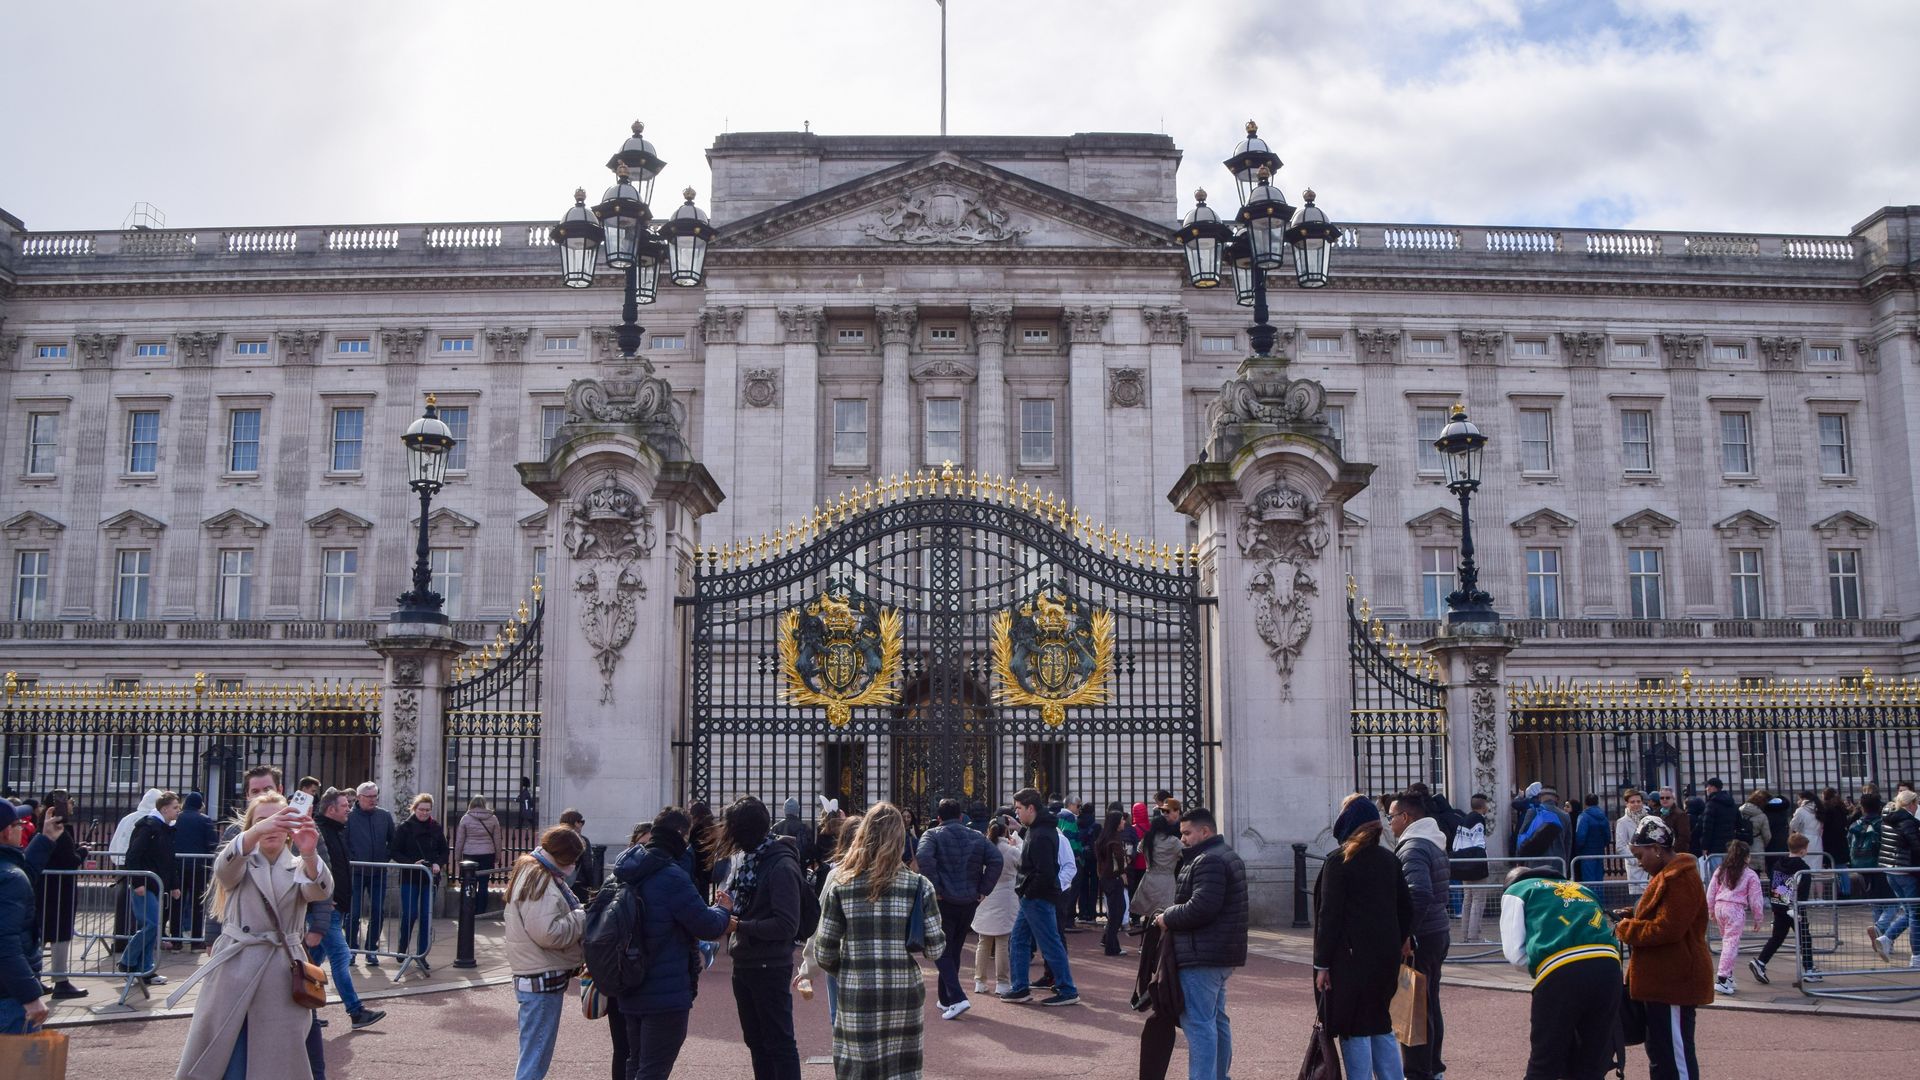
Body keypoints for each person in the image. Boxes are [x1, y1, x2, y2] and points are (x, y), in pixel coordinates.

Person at [170, 792, 331, 1079]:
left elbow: (320, 890)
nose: (271, 827)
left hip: (281, 977)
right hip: (234, 972)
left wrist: (309, 852)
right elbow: (224, 869)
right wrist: (257, 831)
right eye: (263, 820)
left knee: (277, 1062)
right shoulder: (240, 860)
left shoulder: (298, 867)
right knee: (228, 1059)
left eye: (280, 821)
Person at [813, 802, 944, 1080]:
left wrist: (850, 969)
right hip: (903, 990)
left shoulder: (841, 884)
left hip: (858, 988)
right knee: (902, 1068)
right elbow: (935, 949)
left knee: (858, 1068)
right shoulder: (919, 886)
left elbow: (824, 951)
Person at [609, 807, 731, 1080]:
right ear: (678, 834)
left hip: (628, 981)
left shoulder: (624, 871)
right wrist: (723, 909)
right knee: (653, 1068)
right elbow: (707, 925)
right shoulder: (672, 876)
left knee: (636, 1062)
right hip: (664, 989)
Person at [1312, 795, 1412, 1080]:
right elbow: (1406, 907)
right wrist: (1402, 939)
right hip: (1385, 958)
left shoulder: (1339, 862)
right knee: (1380, 1022)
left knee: (1353, 1027)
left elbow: (1329, 918)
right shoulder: (1389, 860)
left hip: (1349, 959)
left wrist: (1322, 964)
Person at [1498, 864, 1622, 1080]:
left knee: (1545, 1059)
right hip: (1608, 965)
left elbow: (1514, 953)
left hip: (1561, 969)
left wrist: (1544, 960)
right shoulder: (1581, 888)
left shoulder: (1517, 891)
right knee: (1592, 1059)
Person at [712, 795, 803, 1080]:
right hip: (746, 961)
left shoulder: (781, 866)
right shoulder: (747, 860)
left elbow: (786, 925)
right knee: (756, 1042)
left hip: (770, 964)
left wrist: (740, 926)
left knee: (779, 1044)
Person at [1153, 806, 1247, 1080]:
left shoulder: (1209, 860)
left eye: (1187, 833)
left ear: (1205, 831)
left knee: (1199, 1024)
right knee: (1216, 1021)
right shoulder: (1224, 855)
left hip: (1202, 952)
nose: (1182, 839)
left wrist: (1166, 917)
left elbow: (1202, 907)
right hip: (1217, 951)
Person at [1614, 815, 1711, 1080]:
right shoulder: (1666, 874)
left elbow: (1667, 928)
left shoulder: (1680, 878)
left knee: (1673, 1056)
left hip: (1674, 980)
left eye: (1640, 854)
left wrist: (1625, 930)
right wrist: (1631, 914)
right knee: (1660, 1052)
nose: (1639, 862)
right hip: (1661, 980)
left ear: (1656, 849)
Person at [505, 825, 588, 1080]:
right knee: (535, 1056)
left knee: (533, 1052)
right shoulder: (539, 878)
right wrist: (581, 917)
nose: (573, 866)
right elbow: (548, 933)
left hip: (537, 975)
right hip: (540, 978)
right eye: (572, 859)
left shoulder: (533, 870)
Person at [914, 796, 1004, 1019]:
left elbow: (923, 855)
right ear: (961, 816)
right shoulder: (976, 836)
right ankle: (945, 999)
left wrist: (935, 887)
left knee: (940, 949)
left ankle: (956, 997)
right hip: (969, 900)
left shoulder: (932, 834)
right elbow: (996, 860)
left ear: (938, 817)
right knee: (953, 948)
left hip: (944, 900)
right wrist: (983, 889)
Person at [997, 788, 1080, 1006]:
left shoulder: (1042, 834)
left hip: (1036, 897)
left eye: (1019, 809)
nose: (1016, 813)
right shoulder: (1041, 828)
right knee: (1020, 940)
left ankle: (1067, 988)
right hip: (1033, 896)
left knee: (1048, 943)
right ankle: (1021, 987)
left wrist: (1028, 891)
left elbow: (1045, 872)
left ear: (1030, 808)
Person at [311, 788, 385, 1029]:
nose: (349, 810)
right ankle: (355, 1011)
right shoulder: (319, 832)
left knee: (311, 963)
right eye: (345, 806)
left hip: (335, 906)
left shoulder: (335, 830)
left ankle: (304, 1012)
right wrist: (324, 898)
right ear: (331, 809)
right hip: (325, 909)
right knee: (341, 956)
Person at [1390, 789, 1450, 1080]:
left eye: (1392, 816)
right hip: (1436, 931)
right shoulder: (1431, 842)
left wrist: (1406, 934)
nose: (1389, 823)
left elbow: (1420, 893)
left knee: (1412, 1008)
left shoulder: (1413, 847)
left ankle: (1417, 1073)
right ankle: (1432, 1067)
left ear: (1405, 816)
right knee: (1430, 1004)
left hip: (1421, 936)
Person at [0, 799, 55, 1034]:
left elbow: (23, 874)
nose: (22, 827)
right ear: (6, 832)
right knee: (19, 1070)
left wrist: (45, 839)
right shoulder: (10, 878)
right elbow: (5, 941)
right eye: (19, 823)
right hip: (8, 994)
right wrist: (31, 996)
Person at [122, 790, 182, 984]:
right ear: (164, 809)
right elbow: (133, 855)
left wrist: (174, 885)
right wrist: (138, 881)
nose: (177, 811)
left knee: (151, 927)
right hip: (145, 883)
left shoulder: (165, 828)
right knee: (152, 925)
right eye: (175, 807)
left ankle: (145, 969)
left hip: (155, 883)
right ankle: (128, 960)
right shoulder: (148, 827)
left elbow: (168, 860)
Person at [34, 792, 89, 998]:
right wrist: (82, 852)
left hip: (45, 889)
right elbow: (69, 861)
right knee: (60, 935)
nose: (72, 806)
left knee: (41, 934)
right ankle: (60, 980)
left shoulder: (44, 828)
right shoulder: (60, 831)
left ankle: (35, 977)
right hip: (59, 890)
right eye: (69, 803)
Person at [390, 793, 448, 972]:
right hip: (410, 877)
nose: (424, 813)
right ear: (414, 809)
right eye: (421, 809)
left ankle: (422, 955)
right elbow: (394, 851)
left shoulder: (436, 828)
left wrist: (438, 863)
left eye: (427, 810)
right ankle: (402, 946)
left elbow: (444, 851)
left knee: (425, 917)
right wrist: (410, 864)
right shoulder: (404, 828)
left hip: (429, 879)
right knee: (410, 914)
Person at [1750, 832, 1817, 987]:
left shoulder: (1778, 864)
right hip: (1794, 909)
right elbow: (1802, 893)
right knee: (1805, 937)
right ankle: (1809, 970)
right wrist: (1798, 909)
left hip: (1780, 906)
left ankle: (1760, 962)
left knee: (1778, 937)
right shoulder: (1803, 868)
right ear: (1802, 851)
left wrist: (1778, 905)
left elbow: (1776, 886)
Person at [344, 781, 395, 964]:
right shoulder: (348, 817)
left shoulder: (384, 816)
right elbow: (344, 843)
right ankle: (351, 949)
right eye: (369, 797)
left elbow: (393, 841)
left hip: (378, 872)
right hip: (355, 872)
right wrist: (353, 859)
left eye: (375, 796)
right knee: (354, 912)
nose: (373, 800)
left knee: (377, 911)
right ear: (359, 798)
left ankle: (372, 949)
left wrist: (385, 858)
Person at [1705, 839, 1764, 994]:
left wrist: (1710, 909)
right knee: (1731, 944)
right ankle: (1722, 978)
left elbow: (1711, 891)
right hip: (1735, 909)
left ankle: (1728, 976)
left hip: (1720, 907)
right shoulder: (1750, 875)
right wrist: (1758, 918)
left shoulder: (1721, 870)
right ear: (1746, 857)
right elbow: (1756, 899)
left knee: (1727, 942)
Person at [971, 815, 1021, 993]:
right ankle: (1002, 982)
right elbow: (1023, 863)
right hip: (1006, 897)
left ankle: (980, 981)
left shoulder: (983, 848)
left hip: (986, 896)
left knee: (983, 941)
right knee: (1002, 942)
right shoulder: (1010, 850)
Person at [1871, 788, 1920, 964]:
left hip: (1890, 869)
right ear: (1911, 803)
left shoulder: (1889, 817)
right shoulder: (1907, 821)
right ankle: (1917, 956)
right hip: (1905, 870)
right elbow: (1916, 846)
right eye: (1917, 803)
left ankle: (1886, 938)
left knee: (1909, 911)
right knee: (1916, 914)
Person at [174, 792, 220, 950]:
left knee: (177, 903)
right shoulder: (204, 820)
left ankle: (175, 940)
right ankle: (195, 940)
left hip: (178, 866)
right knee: (197, 904)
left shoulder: (176, 819)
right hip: (198, 867)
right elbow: (213, 844)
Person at [1449, 794, 1490, 943]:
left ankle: (1466, 934)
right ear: (1483, 805)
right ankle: (1474, 936)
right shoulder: (1478, 820)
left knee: (1468, 899)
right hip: (1476, 865)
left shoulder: (1465, 818)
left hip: (1465, 863)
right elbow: (1478, 842)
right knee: (1478, 900)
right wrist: (1482, 858)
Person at [453, 795, 504, 915]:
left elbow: (460, 840)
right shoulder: (493, 818)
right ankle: (481, 910)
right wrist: (497, 855)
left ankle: (468, 908)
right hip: (487, 853)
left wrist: (457, 857)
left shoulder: (466, 818)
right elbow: (497, 839)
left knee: (469, 882)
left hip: (469, 853)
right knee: (483, 883)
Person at [1133, 800, 1182, 921]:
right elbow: (1185, 852)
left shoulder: (1147, 839)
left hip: (1149, 878)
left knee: (1148, 915)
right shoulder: (1173, 841)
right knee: (1165, 914)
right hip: (1166, 879)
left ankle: (1147, 937)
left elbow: (1139, 850)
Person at [1095, 808, 1131, 956]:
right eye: (1122, 820)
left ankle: (1109, 941)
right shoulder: (1114, 841)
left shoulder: (1103, 839)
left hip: (1105, 878)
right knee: (1117, 912)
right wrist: (1123, 871)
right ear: (1116, 823)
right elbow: (1119, 861)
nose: (1124, 822)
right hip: (1114, 879)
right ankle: (1111, 946)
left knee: (1114, 911)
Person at [1615, 789, 1651, 903]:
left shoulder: (1649, 819)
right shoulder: (1622, 822)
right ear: (1627, 804)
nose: (1636, 804)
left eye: (1638, 801)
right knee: (1638, 902)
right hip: (1635, 866)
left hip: (1651, 865)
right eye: (1632, 802)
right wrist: (1636, 860)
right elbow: (1620, 846)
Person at [558, 808, 601, 903]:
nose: (582, 824)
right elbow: (587, 865)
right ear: (576, 823)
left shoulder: (556, 838)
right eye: (581, 821)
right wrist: (592, 884)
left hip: (557, 881)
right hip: (577, 883)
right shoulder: (581, 840)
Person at [1573, 794, 1610, 886]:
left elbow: (1581, 836)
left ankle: (1591, 899)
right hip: (1599, 851)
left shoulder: (1584, 816)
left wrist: (1578, 849)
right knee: (1599, 880)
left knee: (1589, 880)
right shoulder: (1603, 817)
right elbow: (1607, 836)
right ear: (1597, 802)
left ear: (1585, 803)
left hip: (1587, 852)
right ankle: (1599, 899)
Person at [1696, 779, 1739, 855]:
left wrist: (1704, 846)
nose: (1706, 789)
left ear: (1713, 788)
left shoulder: (1711, 804)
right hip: (1729, 844)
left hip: (1714, 846)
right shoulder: (1731, 803)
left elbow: (1707, 827)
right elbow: (1738, 822)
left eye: (1708, 786)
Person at [770, 797, 814, 867]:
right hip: (799, 864)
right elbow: (809, 849)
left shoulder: (776, 827)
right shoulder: (804, 827)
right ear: (797, 810)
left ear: (785, 810)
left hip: (779, 864)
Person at [1655, 787, 1693, 857]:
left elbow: (1684, 837)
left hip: (1675, 853)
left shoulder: (1680, 815)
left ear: (1673, 799)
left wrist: (1672, 851)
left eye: (1667, 798)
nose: (1664, 800)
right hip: (1659, 853)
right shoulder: (1656, 813)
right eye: (1662, 798)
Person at [1740, 789, 1772, 857]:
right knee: (1757, 867)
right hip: (1757, 847)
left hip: (1740, 846)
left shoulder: (1739, 811)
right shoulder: (1762, 816)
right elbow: (1767, 836)